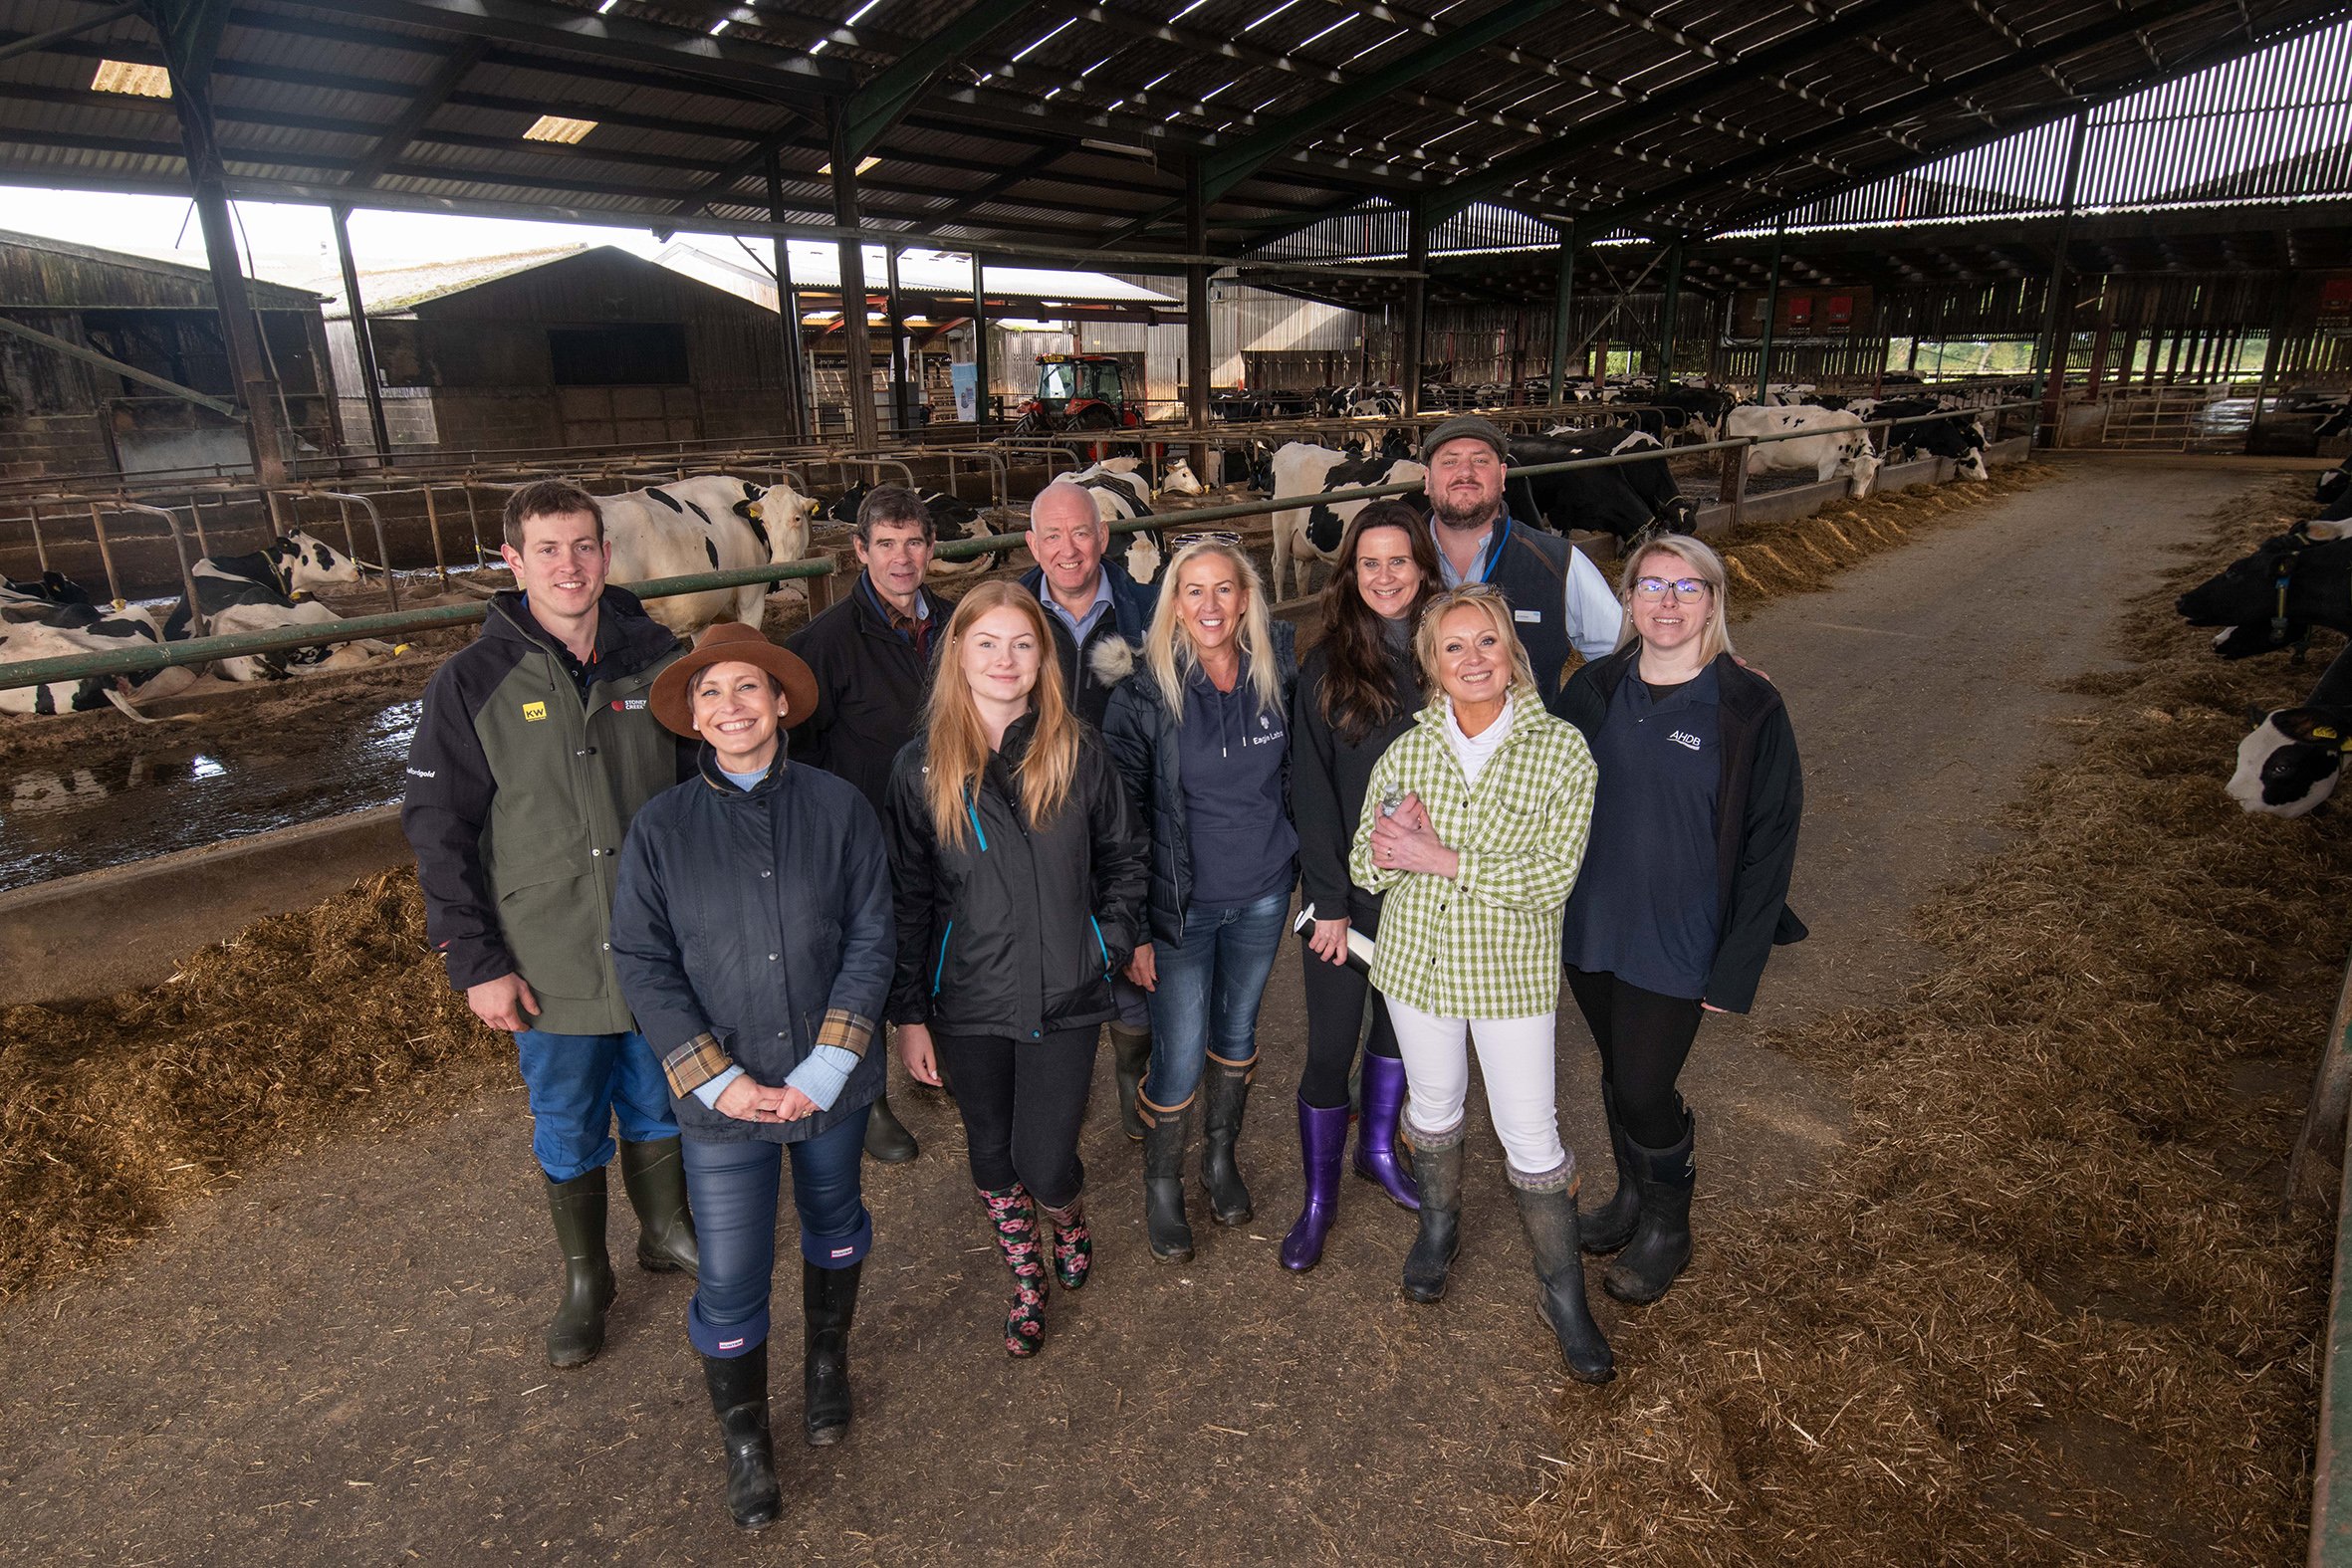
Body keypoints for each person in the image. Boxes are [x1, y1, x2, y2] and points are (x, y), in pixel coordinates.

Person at [402, 478, 699, 1372]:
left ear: (607, 555)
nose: (568, 566)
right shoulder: (470, 683)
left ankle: (662, 1228)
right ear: (512, 560)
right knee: (567, 1113)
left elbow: (702, 791)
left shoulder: (660, 659)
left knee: (658, 1092)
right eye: (547, 549)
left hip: (654, 942)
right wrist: (473, 959)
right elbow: (439, 829)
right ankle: (586, 1278)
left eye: (583, 546)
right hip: (547, 948)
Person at [608, 621, 895, 1532]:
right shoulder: (659, 831)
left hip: (829, 1084)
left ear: (779, 703)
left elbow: (872, 936)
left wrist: (825, 1063)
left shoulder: (840, 807)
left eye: (746, 688)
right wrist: (715, 1080)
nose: (729, 707)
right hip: (720, 1103)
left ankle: (825, 1364)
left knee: (835, 1219)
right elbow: (645, 964)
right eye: (709, 694)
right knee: (730, 1271)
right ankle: (745, 1442)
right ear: (691, 720)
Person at [1350, 583, 1612, 1384]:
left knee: (1530, 1130)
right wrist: (1396, 847)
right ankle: (1438, 1225)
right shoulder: (1408, 749)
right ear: (1432, 663)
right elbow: (1365, 861)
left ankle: (1562, 1291)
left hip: (1507, 970)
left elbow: (1549, 880)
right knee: (1433, 1106)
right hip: (1416, 966)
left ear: (1512, 653)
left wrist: (1437, 856)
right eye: (1454, 646)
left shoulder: (1561, 751)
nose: (1473, 659)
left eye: (1487, 642)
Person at [881, 582, 1148, 1356]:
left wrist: (1107, 939)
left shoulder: (1078, 749)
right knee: (991, 1155)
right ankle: (1027, 1275)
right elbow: (909, 897)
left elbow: (1126, 857)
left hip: (1066, 991)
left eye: (1022, 643)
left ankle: (1066, 1211)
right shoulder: (920, 769)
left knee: (1044, 1158)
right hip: (965, 998)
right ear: (956, 653)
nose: (1005, 659)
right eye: (987, 643)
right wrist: (909, 1013)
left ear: (1043, 658)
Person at [1551, 534, 1804, 1306]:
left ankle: (1669, 1224)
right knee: (1620, 1068)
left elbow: (1771, 840)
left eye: (1686, 587)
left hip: (1680, 931)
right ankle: (1631, 1199)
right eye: (1651, 584)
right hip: (1592, 921)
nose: (1666, 601)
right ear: (1626, 598)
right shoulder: (1591, 689)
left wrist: (1737, 966)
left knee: (1644, 1081)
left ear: (1714, 602)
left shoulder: (1747, 704)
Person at [1102, 540, 1297, 1262]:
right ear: (1173, 604)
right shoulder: (1143, 696)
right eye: (1194, 591)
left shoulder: (1277, 676)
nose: (1210, 605)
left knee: (1238, 1034)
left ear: (1245, 598)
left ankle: (1220, 1158)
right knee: (1180, 1054)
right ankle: (1162, 1183)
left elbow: (1293, 781)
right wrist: (1135, 929)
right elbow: (1120, 821)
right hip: (1179, 910)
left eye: (1224, 589)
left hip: (1263, 896)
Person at [1280, 501, 1437, 1271]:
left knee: (1399, 1030)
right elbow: (1310, 793)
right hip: (1343, 903)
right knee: (1328, 1046)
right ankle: (1319, 1197)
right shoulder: (1324, 666)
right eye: (1369, 563)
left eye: (1398, 561)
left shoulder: (1453, 658)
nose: (1384, 576)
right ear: (1350, 573)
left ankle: (1377, 1147)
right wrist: (1330, 904)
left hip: (1425, 900)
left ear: (1423, 568)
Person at [787, 484, 952, 1165]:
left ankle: (939, 1049)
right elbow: (799, 742)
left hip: (944, 819)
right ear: (859, 550)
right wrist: (828, 827)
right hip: (866, 832)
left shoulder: (949, 622)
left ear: (932, 548)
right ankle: (871, 1096)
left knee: (935, 935)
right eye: (885, 544)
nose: (901, 558)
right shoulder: (824, 642)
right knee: (866, 961)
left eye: (913, 542)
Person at [1020, 481, 1161, 1140]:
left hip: (1123, 825)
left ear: (1105, 538)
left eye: (1081, 532)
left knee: (1128, 960)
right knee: (1043, 961)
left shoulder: (1151, 616)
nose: (1068, 548)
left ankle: (1133, 1070)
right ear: (1032, 544)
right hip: (1034, 832)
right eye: (1052, 535)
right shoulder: (1007, 619)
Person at [1419, 414, 1621, 701]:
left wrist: (1577, 716)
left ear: (1502, 476)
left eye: (1480, 460)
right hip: (1416, 745)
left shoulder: (1557, 561)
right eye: (1449, 461)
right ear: (1427, 480)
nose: (1465, 472)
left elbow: (1621, 655)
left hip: (1525, 744)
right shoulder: (1394, 567)